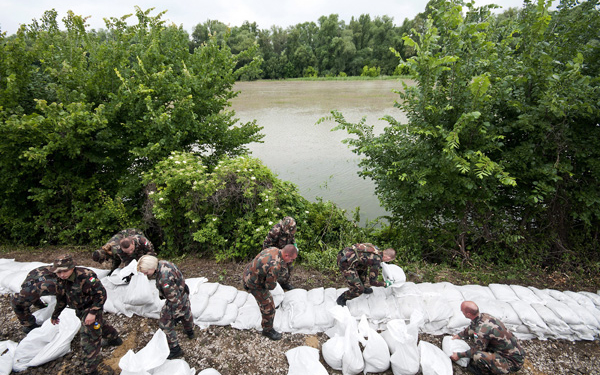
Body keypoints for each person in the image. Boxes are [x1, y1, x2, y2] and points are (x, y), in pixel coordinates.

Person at [50, 255, 122, 375]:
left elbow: (101, 294)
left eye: (65, 271)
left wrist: (93, 313)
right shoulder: (60, 279)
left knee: (89, 339)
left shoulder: (86, 276)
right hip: (79, 309)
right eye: (59, 272)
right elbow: (61, 298)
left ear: (72, 267)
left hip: (92, 308)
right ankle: (114, 338)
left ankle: (90, 370)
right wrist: (55, 315)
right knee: (99, 326)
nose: (62, 274)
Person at [137, 255, 194, 359]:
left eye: (146, 272)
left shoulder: (164, 279)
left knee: (164, 323)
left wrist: (175, 315)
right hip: (183, 292)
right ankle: (190, 331)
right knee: (186, 312)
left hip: (176, 299)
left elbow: (174, 300)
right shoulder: (163, 263)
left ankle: (175, 349)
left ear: (151, 267)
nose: (145, 275)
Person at [450, 301, 525, 375]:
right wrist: (459, 335)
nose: (461, 312)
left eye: (462, 311)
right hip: (512, 352)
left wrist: (459, 355)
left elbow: (476, 350)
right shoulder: (484, 316)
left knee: (478, 356)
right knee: (475, 337)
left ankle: (484, 372)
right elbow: (472, 327)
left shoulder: (481, 331)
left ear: (468, 314)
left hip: (512, 362)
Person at [243, 244, 298, 341]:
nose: (291, 261)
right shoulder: (275, 266)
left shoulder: (274, 249)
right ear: (286, 256)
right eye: (291, 259)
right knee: (269, 307)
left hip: (248, 272)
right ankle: (267, 330)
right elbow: (270, 286)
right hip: (253, 283)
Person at [10, 264, 57, 333]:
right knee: (21, 305)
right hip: (38, 278)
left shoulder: (52, 286)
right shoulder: (23, 297)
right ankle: (30, 326)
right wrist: (29, 323)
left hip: (45, 275)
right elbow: (17, 304)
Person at [262, 216, 298, 290]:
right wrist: (273, 256)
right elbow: (266, 245)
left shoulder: (290, 229)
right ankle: (276, 284)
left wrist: (294, 246)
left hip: (286, 251)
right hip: (276, 253)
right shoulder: (275, 231)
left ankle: (285, 283)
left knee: (289, 266)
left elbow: (292, 238)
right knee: (281, 270)